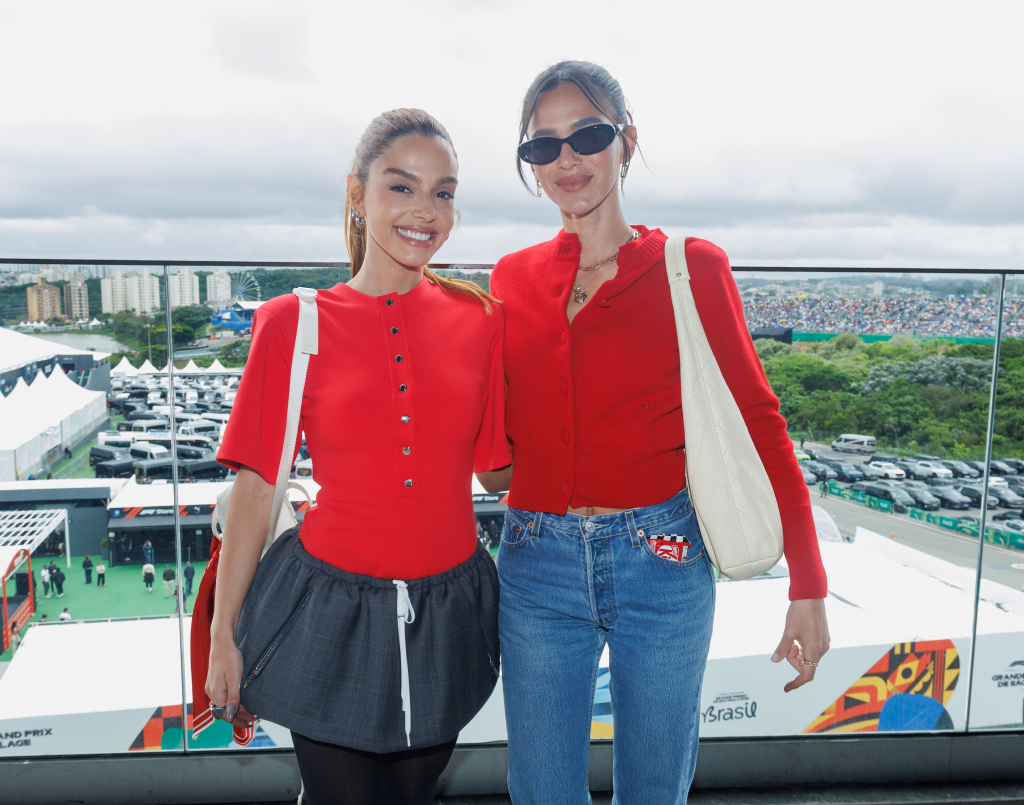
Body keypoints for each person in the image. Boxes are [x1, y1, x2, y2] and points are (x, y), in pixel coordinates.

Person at [480, 62, 830, 805]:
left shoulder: (690, 267)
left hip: (661, 558)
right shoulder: (508, 278)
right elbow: (495, 434)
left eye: (588, 135)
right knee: (539, 792)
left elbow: (761, 423)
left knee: (653, 790)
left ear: (626, 142)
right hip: (535, 563)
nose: (566, 159)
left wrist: (808, 583)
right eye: (542, 147)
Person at [206, 109, 509, 805]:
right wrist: (223, 634)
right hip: (329, 610)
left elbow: (500, 466)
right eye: (401, 187)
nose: (425, 211)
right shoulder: (292, 321)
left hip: (449, 608)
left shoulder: (483, 318)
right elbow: (257, 490)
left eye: (444, 192)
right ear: (357, 192)